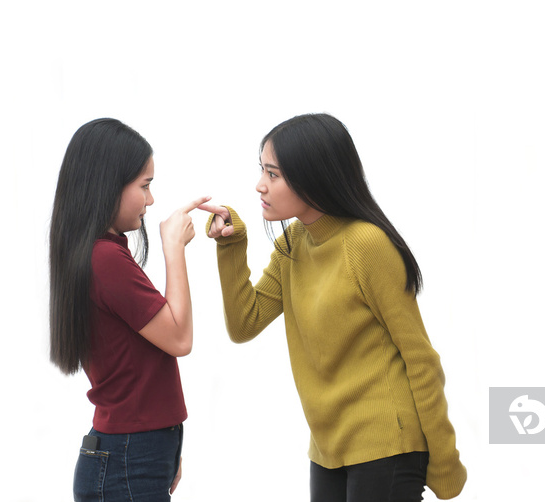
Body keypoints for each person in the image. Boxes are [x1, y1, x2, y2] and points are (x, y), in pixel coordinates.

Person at [199, 113, 467, 501]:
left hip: (387, 444)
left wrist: (444, 463)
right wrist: (230, 246)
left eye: (273, 174)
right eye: (262, 171)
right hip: (328, 449)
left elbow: (420, 358)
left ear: (313, 176)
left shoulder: (366, 245)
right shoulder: (294, 243)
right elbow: (245, 323)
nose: (260, 185)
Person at [49, 118, 208, 501]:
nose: (151, 200)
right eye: (145, 185)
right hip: (127, 457)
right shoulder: (104, 259)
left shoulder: (101, 252)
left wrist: (162, 451)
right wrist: (173, 247)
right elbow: (179, 338)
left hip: (133, 453)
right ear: (109, 184)